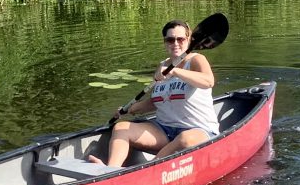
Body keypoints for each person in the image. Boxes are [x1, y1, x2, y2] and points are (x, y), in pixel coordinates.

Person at [88, 20, 220, 168]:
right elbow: (157, 100)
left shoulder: (196, 60)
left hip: (198, 131)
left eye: (180, 39)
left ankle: (149, 169)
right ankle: (110, 171)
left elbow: (209, 81)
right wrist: (130, 109)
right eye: (170, 40)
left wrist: (175, 70)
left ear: (188, 39)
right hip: (164, 130)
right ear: (165, 42)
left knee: (185, 140)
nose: (175, 43)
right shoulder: (162, 65)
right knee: (121, 128)